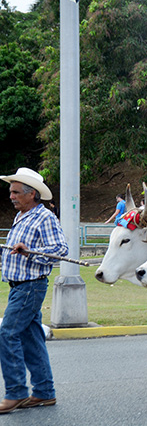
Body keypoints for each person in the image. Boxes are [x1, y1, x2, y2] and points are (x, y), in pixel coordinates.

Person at [0, 168, 68, 414]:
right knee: (32, 339)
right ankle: (44, 393)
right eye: (11, 191)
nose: (11, 196)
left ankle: (16, 393)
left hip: (30, 286)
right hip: (19, 286)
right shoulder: (21, 217)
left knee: (7, 334)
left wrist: (29, 251)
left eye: (16, 192)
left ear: (32, 195)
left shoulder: (44, 217)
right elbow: (13, 250)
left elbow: (61, 250)